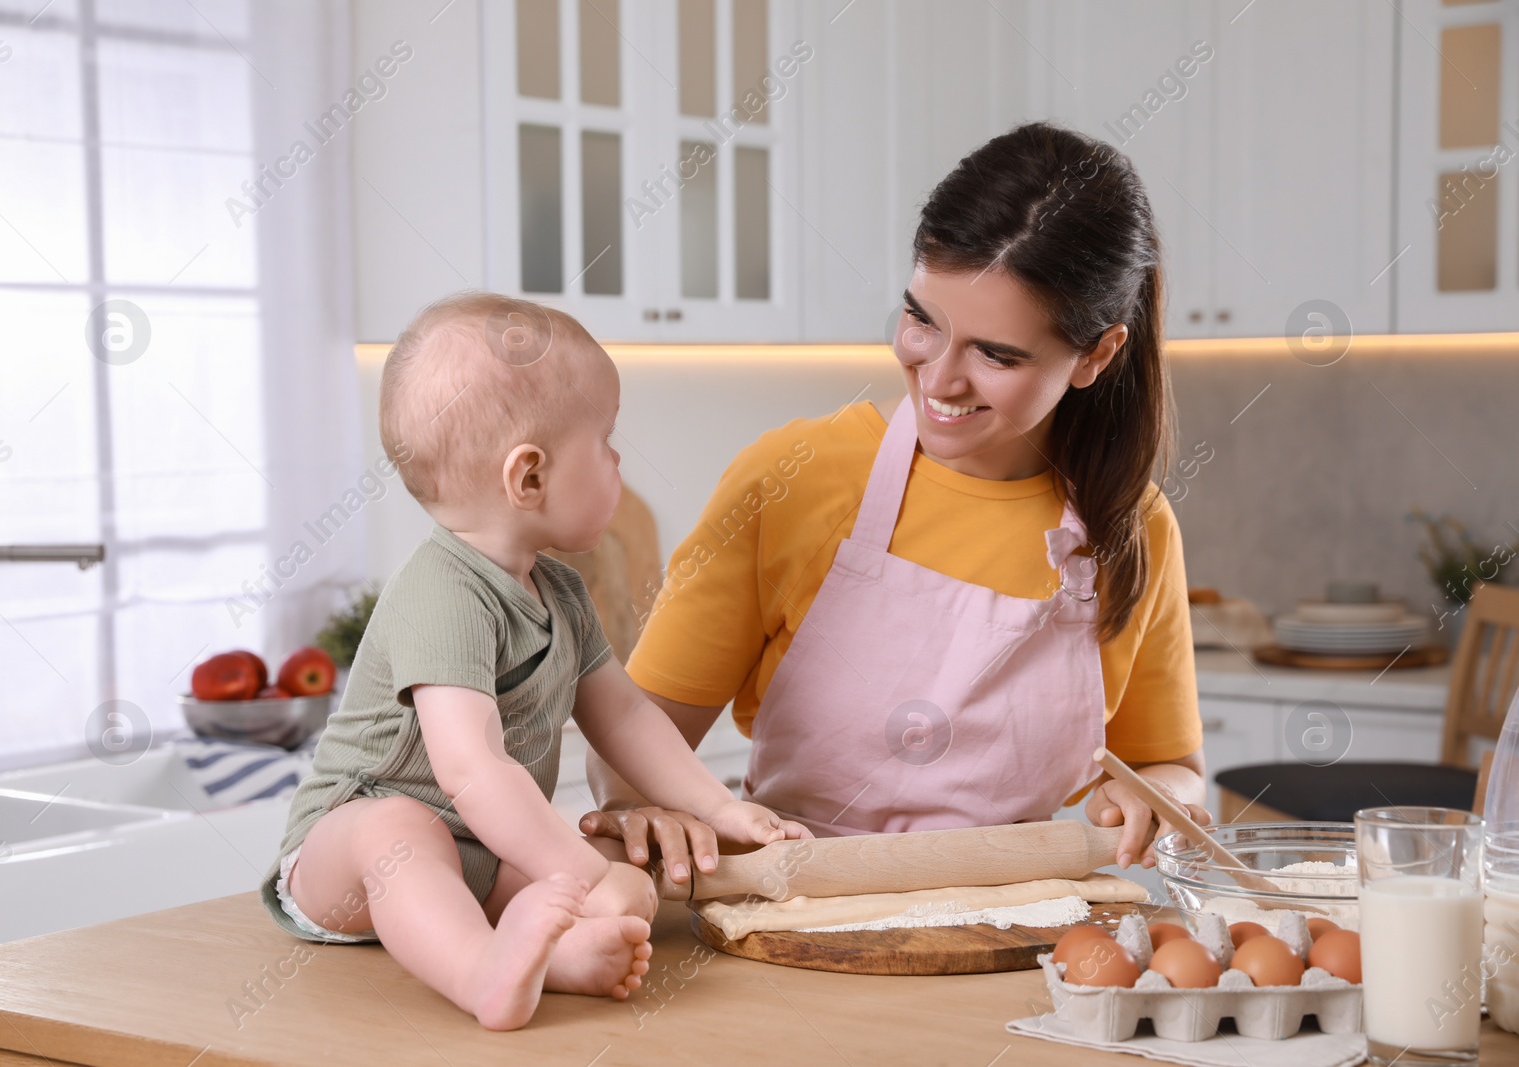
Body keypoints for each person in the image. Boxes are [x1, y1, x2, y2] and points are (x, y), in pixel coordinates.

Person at [583, 121, 1211, 887]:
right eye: (922, 319)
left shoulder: (1131, 526)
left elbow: (1171, 765)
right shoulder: (793, 478)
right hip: (792, 922)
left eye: (996, 353)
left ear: (1097, 354)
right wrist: (642, 809)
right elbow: (633, 744)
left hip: (1016, 945)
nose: (939, 378)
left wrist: (1159, 797)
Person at [257, 292, 800, 1030]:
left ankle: (556, 959)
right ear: (530, 478)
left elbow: (628, 715)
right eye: (605, 441)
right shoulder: (442, 591)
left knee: (627, 891)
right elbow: (473, 771)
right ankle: (479, 973)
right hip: (345, 861)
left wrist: (720, 806)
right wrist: (579, 873)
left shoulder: (562, 591)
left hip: (471, 859)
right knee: (403, 828)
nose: (617, 461)